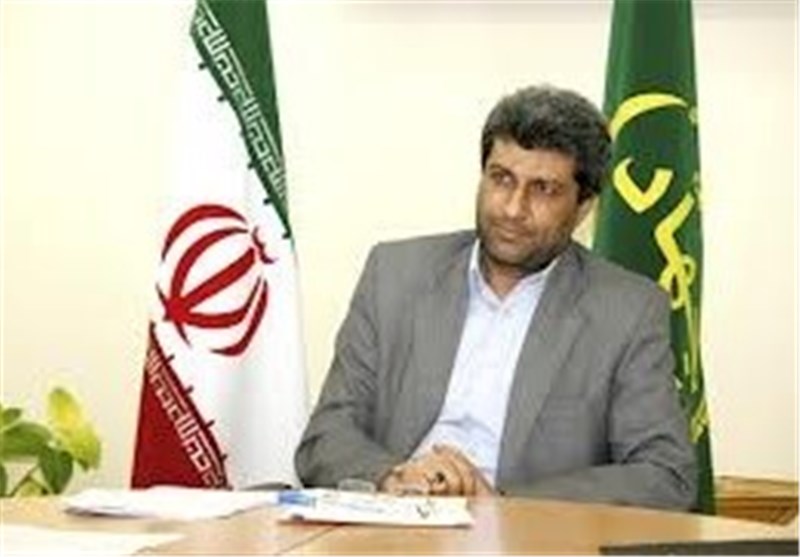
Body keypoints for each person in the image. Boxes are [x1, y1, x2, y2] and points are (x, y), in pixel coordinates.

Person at [295, 85, 697, 510]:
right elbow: (325, 437)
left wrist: (504, 504)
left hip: (525, 535)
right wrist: (392, 477)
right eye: (501, 179)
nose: (512, 209)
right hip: (395, 525)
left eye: (543, 189)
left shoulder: (627, 311)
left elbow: (665, 475)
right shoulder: (395, 275)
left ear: (583, 207)